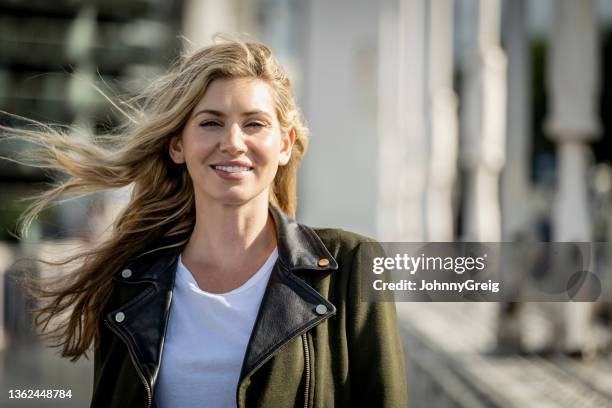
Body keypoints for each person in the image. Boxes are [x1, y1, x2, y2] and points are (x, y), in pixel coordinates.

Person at [10, 39, 407, 407]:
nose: (233, 142)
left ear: (284, 145)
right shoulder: (131, 284)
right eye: (211, 122)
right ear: (178, 145)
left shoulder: (352, 264)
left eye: (254, 124)